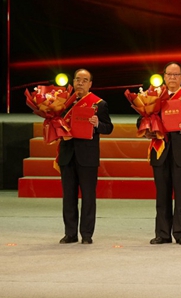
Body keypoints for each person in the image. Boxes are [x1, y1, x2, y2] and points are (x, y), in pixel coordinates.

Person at [140, 62, 181, 246]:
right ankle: (162, 233)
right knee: (162, 195)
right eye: (169, 74)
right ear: (164, 77)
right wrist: (147, 130)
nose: (172, 78)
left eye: (176, 75)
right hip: (160, 150)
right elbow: (142, 118)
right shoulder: (153, 97)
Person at [58, 69, 113, 244]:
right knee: (69, 196)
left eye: (84, 80)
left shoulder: (99, 104)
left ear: (90, 84)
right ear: (73, 82)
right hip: (67, 154)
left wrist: (97, 124)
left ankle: (87, 234)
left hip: (87, 156)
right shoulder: (62, 103)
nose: (80, 83)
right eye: (77, 79)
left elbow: (109, 127)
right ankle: (70, 233)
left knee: (88, 196)